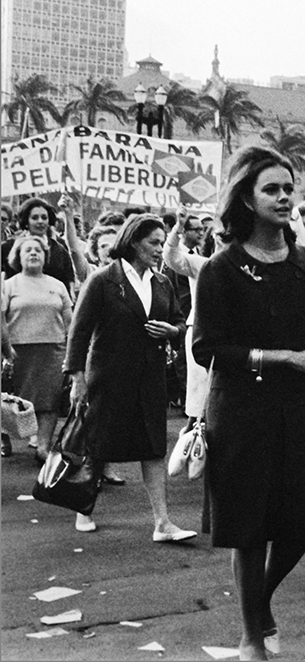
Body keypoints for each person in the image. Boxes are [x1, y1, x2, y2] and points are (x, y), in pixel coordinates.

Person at [192, 147, 305, 660]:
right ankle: (250, 634)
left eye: (288, 188)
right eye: (270, 189)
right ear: (247, 200)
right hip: (241, 412)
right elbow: (207, 349)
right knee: (250, 530)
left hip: (298, 406)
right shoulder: (220, 268)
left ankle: (261, 599)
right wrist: (280, 358)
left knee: (300, 526)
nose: (282, 197)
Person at [64, 214, 191, 538]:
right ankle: (83, 509)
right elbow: (78, 333)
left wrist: (171, 330)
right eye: (153, 242)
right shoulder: (102, 279)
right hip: (107, 376)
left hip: (150, 378)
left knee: (153, 447)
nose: (159, 249)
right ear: (134, 241)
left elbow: (180, 323)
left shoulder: (162, 282)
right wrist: (77, 379)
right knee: (97, 445)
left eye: (162, 243)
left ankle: (162, 523)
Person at [2, 235, 73, 458]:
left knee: (48, 402)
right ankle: (4, 440)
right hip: (16, 352)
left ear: (45, 256)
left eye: (38, 251)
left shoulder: (57, 285)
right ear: (18, 257)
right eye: (28, 250)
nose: (33, 253)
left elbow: (70, 322)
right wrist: (5, 351)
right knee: (7, 400)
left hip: (52, 351)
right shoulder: (7, 286)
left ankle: (43, 447)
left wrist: (71, 351)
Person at [163, 210, 212, 428]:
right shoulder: (201, 264)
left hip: (234, 339)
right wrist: (178, 229)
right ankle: (191, 452)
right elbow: (171, 256)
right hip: (202, 333)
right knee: (199, 400)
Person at [1, 197, 76, 290]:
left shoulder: (60, 250)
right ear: (26, 221)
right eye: (35, 217)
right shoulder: (7, 248)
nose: (40, 221)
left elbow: (68, 283)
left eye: (44, 217)